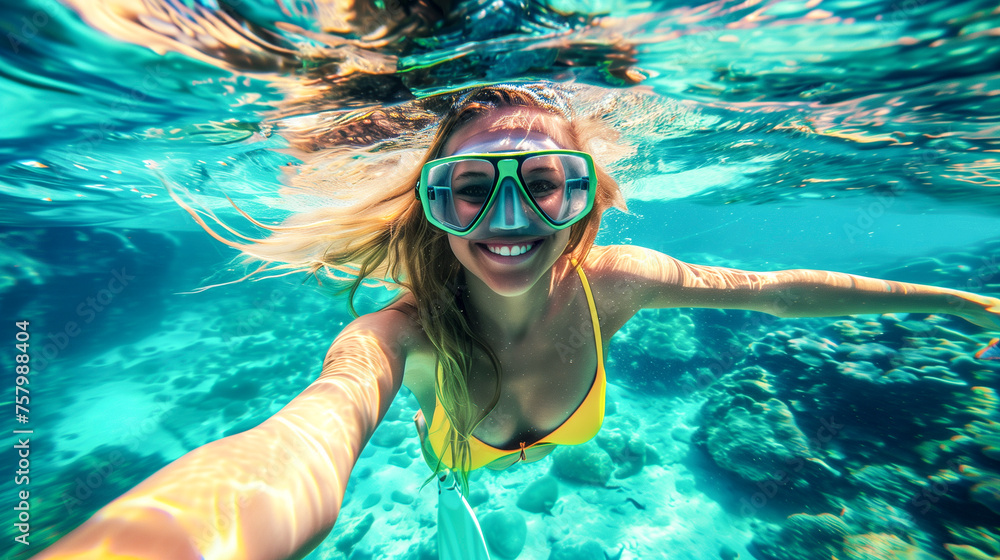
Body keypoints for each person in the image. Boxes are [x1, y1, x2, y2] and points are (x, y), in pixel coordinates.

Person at [32, 84, 1000, 560]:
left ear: (585, 200)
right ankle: (451, 487)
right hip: (460, 446)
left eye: (543, 185)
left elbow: (777, 288)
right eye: (470, 190)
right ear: (434, 208)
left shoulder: (617, 281)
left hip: (559, 425)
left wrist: (957, 301)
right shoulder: (396, 336)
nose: (508, 220)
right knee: (450, 468)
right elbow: (302, 440)